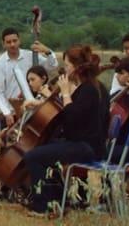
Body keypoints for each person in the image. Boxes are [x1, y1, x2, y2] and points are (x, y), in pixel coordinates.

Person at [19, 45, 107, 214]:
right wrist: (41, 103)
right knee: (41, 148)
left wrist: (66, 92)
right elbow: (63, 112)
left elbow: (72, 117)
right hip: (78, 142)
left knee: (33, 157)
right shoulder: (84, 88)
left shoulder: (89, 90)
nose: (64, 69)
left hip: (87, 147)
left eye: (67, 65)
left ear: (77, 67)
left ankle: (43, 207)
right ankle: (55, 199)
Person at [0, 27, 58, 127]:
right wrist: (6, 113)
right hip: (12, 112)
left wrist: (48, 52)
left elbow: (52, 66)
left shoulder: (30, 55)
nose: (12, 44)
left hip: (33, 110)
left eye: (15, 41)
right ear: (3, 44)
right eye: (8, 42)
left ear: (19, 40)